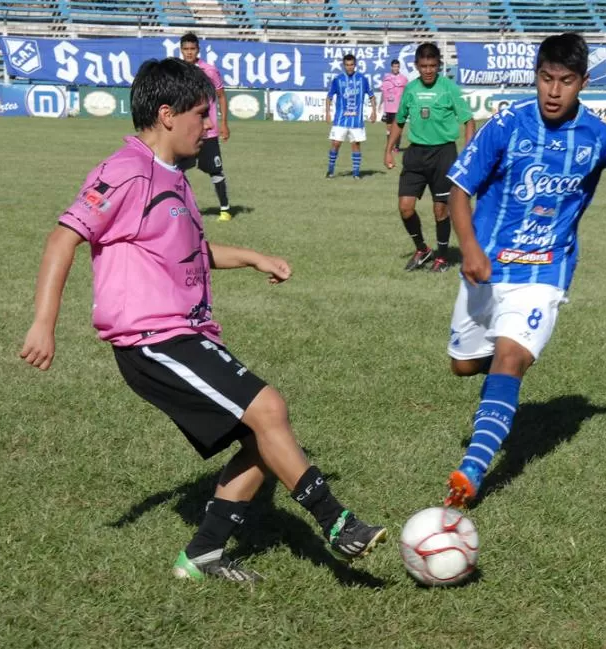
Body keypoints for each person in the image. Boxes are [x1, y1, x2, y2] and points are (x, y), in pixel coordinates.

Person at [19, 58, 387, 583]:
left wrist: (255, 257)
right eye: (201, 114)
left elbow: (193, 249)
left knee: (264, 439)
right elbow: (63, 237)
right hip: (152, 340)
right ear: (167, 115)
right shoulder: (125, 171)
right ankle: (335, 519)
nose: (209, 127)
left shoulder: (175, 177)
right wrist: (43, 324)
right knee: (269, 407)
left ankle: (203, 554)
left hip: (182, 335)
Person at [440, 33, 606, 508]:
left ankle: (472, 472)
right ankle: (494, 367)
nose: (554, 91)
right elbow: (458, 188)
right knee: (463, 365)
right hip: (486, 270)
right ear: (536, 75)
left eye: (567, 81)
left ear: (583, 82)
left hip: (546, 273)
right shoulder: (507, 124)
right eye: (546, 79)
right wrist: (470, 247)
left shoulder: (600, 136)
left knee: (511, 358)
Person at [384, 43, 475, 273]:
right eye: (423, 66)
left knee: (440, 210)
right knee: (405, 207)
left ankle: (442, 257)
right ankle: (422, 249)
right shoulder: (411, 89)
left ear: (439, 66)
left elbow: (468, 119)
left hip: (444, 153)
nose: (428, 70)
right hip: (415, 154)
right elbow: (400, 120)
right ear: (416, 66)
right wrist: (389, 149)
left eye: (432, 65)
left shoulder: (449, 88)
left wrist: (469, 150)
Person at [178, 32, 233, 222]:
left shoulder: (209, 71)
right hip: (186, 132)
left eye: (192, 49)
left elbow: (221, 96)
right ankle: (182, 208)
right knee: (176, 169)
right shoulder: (178, 72)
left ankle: (225, 209)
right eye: (186, 49)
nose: (189, 52)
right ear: (181, 50)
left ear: (198, 50)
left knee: (215, 170)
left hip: (208, 132)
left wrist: (224, 123)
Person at [325, 54, 377, 179]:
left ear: (355, 65)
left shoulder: (362, 79)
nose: (349, 67)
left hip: (356, 121)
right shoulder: (338, 79)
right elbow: (329, 97)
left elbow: (371, 96)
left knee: (356, 144)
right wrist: (327, 112)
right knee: (336, 143)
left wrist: (374, 111)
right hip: (340, 120)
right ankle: (330, 170)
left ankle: (356, 173)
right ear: (344, 65)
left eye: (351, 65)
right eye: (347, 65)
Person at [380, 59, 408, 151]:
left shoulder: (404, 79)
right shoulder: (386, 78)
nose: (396, 68)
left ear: (399, 67)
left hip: (399, 108)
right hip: (389, 108)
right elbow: (383, 92)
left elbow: (407, 93)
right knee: (389, 129)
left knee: (398, 128)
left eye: (397, 66)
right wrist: (380, 103)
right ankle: (390, 146)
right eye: (394, 66)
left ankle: (396, 147)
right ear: (391, 67)